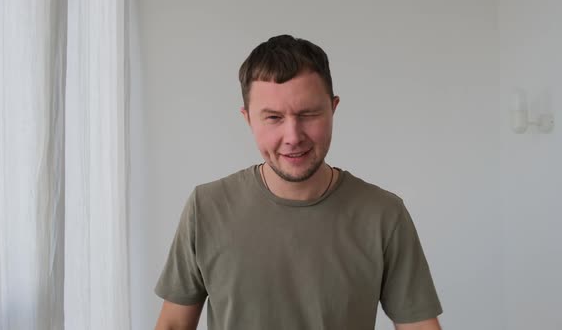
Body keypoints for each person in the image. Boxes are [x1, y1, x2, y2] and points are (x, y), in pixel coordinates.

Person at [154, 34, 443, 330]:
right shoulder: (206, 208)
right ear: (248, 119)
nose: (293, 136)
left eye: (308, 114)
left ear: (333, 108)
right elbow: (173, 325)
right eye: (273, 117)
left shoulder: (384, 214)